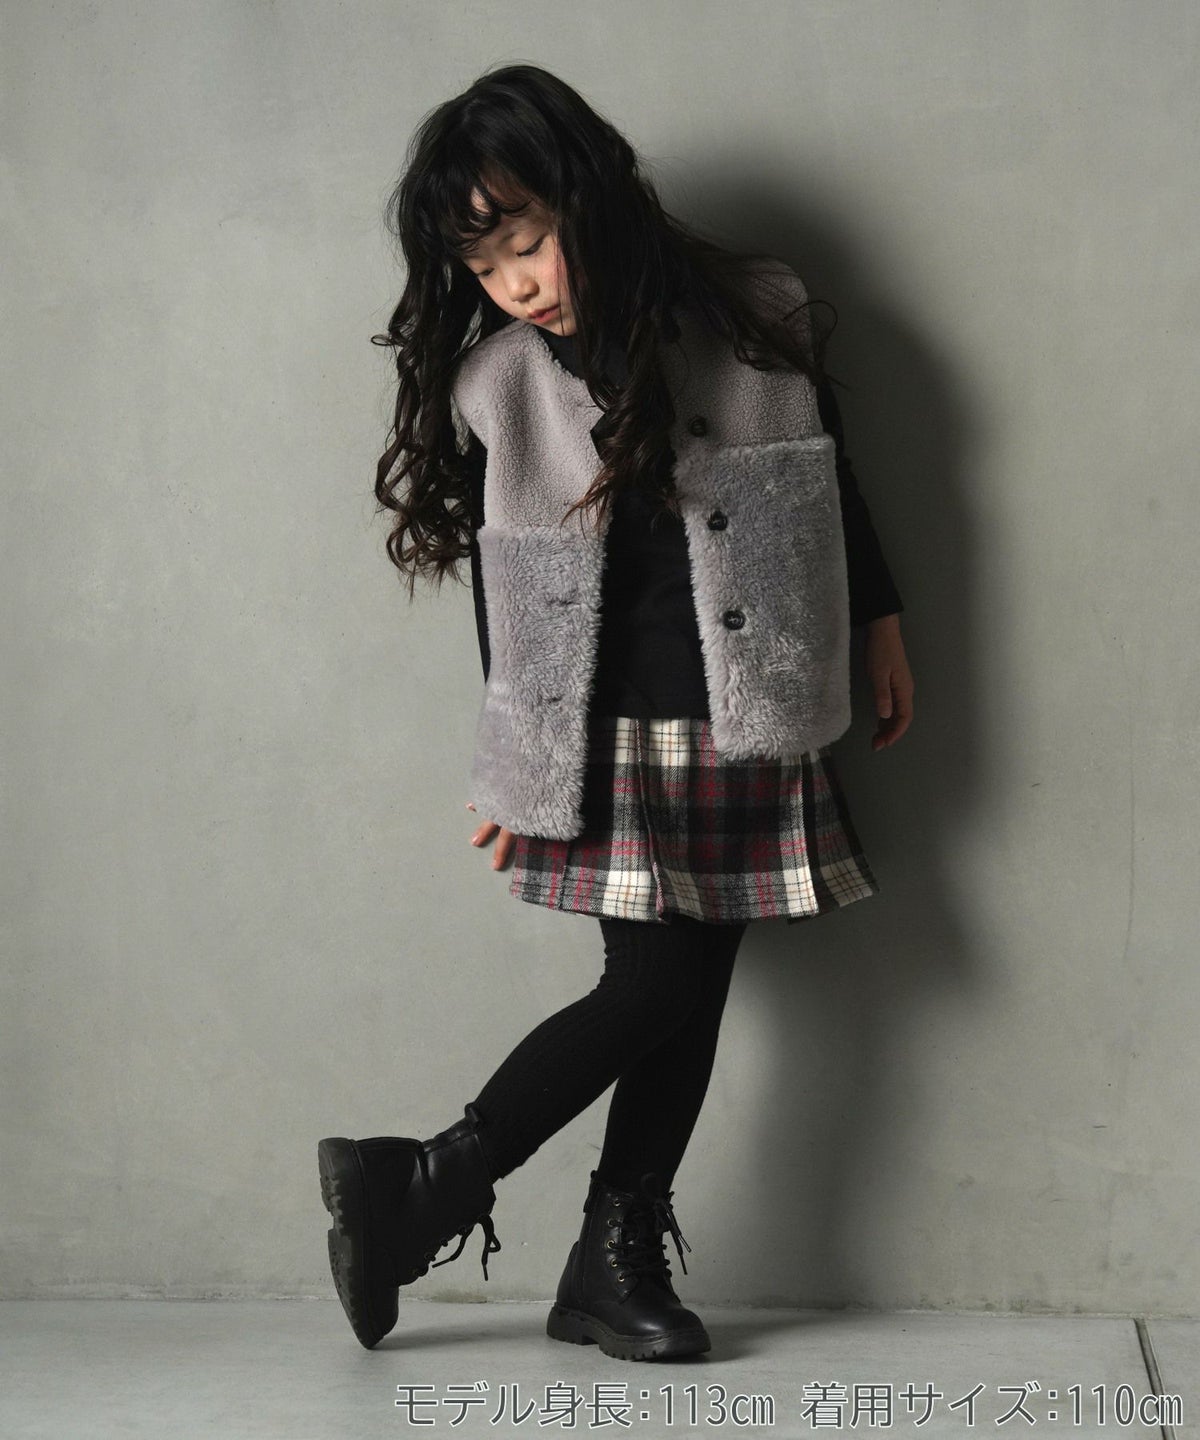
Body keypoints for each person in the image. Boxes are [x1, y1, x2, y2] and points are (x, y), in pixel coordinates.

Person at [318, 62, 915, 1363]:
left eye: (529, 242)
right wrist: (516, 766)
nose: (518, 284)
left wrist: (879, 617)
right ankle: (430, 1180)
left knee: (693, 992)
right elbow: (511, 595)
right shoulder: (501, 385)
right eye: (486, 267)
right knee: (654, 985)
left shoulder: (753, 313)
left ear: (589, 197)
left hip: (752, 708)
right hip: (610, 731)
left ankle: (604, 1252)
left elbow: (825, 480)